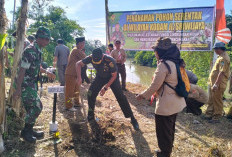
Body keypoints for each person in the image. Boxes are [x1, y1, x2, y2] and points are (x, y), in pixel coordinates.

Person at [136, 37, 186, 157]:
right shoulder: (175, 62)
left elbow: (154, 86)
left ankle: (164, 153)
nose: (155, 53)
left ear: (160, 52)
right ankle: (167, 150)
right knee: (170, 129)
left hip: (166, 105)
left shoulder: (163, 65)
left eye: (156, 50)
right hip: (176, 102)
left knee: (163, 131)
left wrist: (143, 95)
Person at [76, 48, 139, 131]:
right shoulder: (90, 57)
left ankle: (132, 119)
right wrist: (79, 77)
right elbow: (78, 64)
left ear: (102, 57)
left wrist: (105, 88)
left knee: (120, 96)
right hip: (100, 77)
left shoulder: (110, 60)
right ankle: (90, 115)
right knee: (90, 93)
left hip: (112, 78)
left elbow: (114, 76)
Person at [13, 26, 56, 143]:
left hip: (31, 83)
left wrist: (46, 72)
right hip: (25, 84)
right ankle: (25, 131)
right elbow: (22, 70)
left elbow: (37, 66)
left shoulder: (38, 50)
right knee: (37, 107)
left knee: (30, 108)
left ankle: (29, 130)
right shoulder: (30, 50)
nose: (48, 42)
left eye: (48, 40)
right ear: (40, 38)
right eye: (46, 39)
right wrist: (18, 89)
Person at [205, 42, 230, 123]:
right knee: (212, 99)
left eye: (216, 49)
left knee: (217, 100)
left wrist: (216, 84)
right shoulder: (220, 57)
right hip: (214, 83)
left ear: (220, 49)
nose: (215, 50)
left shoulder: (224, 59)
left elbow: (221, 73)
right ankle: (209, 115)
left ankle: (216, 117)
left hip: (219, 84)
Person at [65, 37, 86, 111]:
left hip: (75, 73)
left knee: (76, 89)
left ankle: (77, 103)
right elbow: (85, 58)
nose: (84, 44)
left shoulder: (77, 50)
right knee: (69, 91)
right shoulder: (76, 50)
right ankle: (68, 106)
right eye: (83, 43)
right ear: (79, 43)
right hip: (71, 73)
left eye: (84, 43)